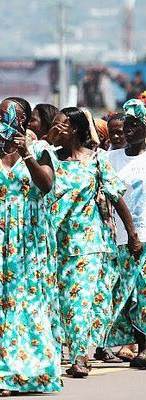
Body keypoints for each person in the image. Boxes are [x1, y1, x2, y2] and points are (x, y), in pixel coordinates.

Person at [0, 67, 62, 395]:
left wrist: (25, 153)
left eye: (7, 115)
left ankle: (19, 375)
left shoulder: (39, 151)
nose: (0, 120)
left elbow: (46, 184)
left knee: (23, 305)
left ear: (23, 120)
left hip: (27, 241)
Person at [47, 107, 142, 377]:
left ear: (75, 129)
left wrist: (132, 235)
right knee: (56, 301)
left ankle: (80, 356)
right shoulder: (49, 159)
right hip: (53, 243)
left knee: (80, 300)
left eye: (61, 125)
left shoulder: (97, 160)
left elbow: (116, 197)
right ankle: (56, 353)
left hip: (88, 243)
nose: (56, 129)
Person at [105, 99, 146, 369]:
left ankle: (144, 347)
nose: (128, 130)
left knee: (144, 291)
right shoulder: (110, 158)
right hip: (119, 235)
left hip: (145, 234)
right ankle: (132, 341)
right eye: (126, 124)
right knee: (127, 294)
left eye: (135, 125)